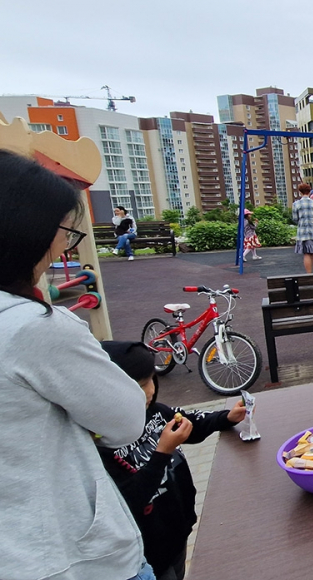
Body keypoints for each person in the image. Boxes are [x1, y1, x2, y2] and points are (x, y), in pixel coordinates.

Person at [0, 150, 150, 580]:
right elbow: (126, 419)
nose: (62, 245)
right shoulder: (34, 328)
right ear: (27, 232)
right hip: (67, 556)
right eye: (64, 232)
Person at [98, 341, 247, 580]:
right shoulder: (102, 443)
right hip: (149, 551)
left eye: (151, 380)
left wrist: (225, 417)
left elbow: (191, 423)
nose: (150, 391)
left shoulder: (156, 413)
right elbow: (131, 499)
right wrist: (162, 452)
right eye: (140, 385)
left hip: (178, 529)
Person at [292, 184, 313, 273]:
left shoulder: (296, 204)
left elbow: (295, 219)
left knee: (306, 254)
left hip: (303, 232)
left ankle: (309, 275)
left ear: (300, 192)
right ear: (310, 191)